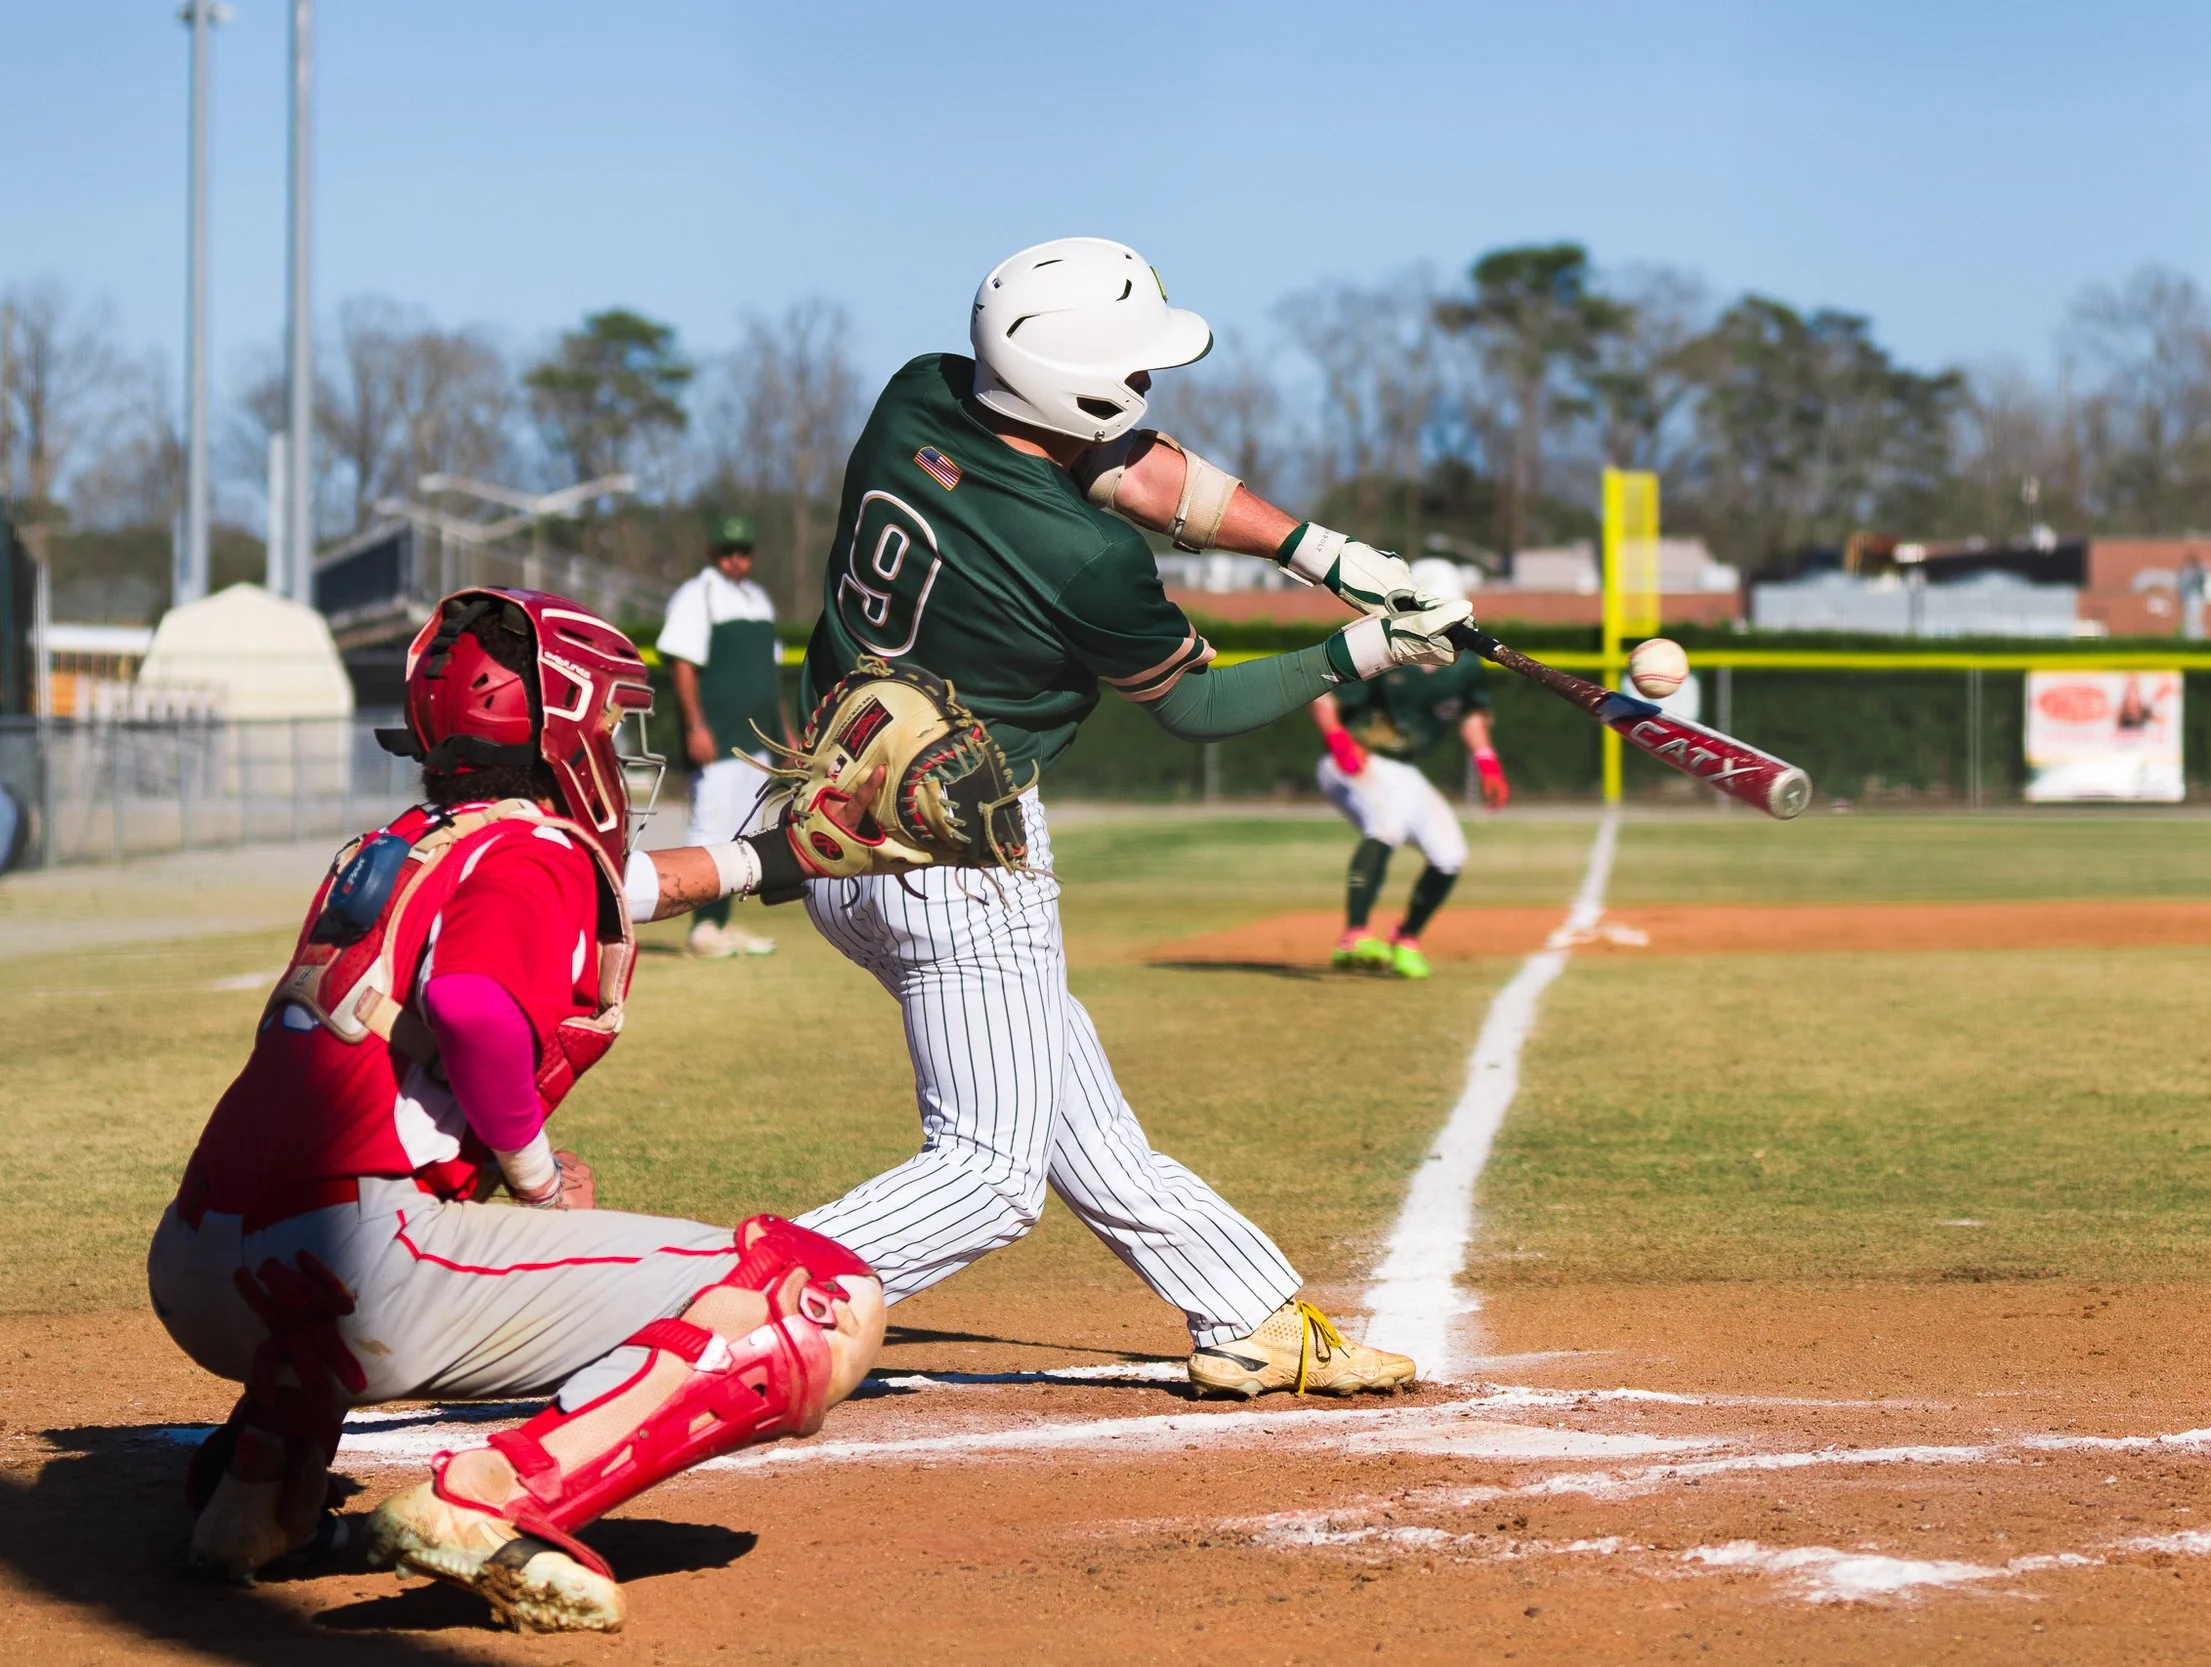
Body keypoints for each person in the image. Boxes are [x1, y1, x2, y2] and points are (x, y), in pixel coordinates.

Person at [625, 236, 1473, 1399]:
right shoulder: (1086, 561)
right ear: (1078, 381)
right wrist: (1364, 643)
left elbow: (1131, 465)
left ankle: (1249, 1312)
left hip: (833, 818)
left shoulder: (916, 393)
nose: (1146, 390)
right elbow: (1198, 703)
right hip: (960, 854)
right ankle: (701, 1308)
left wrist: (1328, 554)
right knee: (986, 1172)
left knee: (1078, 1113)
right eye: (1130, 369)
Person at [148, 588, 886, 1633]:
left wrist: (783, 854)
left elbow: (605, 888)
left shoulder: (399, 842)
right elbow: (472, 1003)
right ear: (557, 724)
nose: (625, 749)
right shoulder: (535, 848)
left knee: (406, 1184)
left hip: (203, 1259)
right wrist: (540, 1179)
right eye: (611, 722)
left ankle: (258, 1506)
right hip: (358, 1257)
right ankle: (490, 1497)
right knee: (813, 1292)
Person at [1312, 625, 1507, 981]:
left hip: (1403, 770)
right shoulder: (1385, 650)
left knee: (1450, 855)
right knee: (1386, 826)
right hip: (1356, 758)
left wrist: (1486, 760)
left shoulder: (1462, 666)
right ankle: (1354, 936)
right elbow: (1323, 696)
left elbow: (1470, 714)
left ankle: (1406, 939)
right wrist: (1339, 741)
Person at [657, 512, 791, 958]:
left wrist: (785, 734)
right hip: (718, 735)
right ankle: (701, 927)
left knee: (744, 832)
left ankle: (720, 924)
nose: (737, 560)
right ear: (713, 553)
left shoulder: (757, 601)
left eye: (745, 552)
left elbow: (768, 678)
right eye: (729, 552)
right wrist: (695, 725)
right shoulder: (697, 596)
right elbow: (682, 664)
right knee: (711, 827)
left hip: (758, 740)